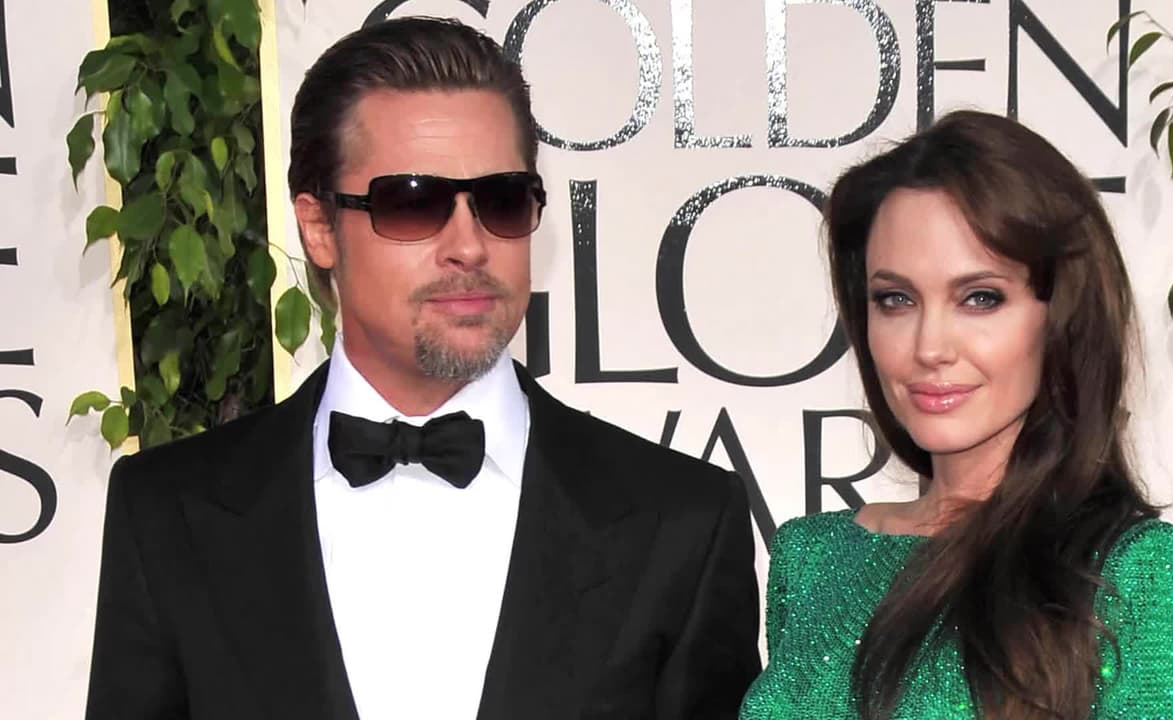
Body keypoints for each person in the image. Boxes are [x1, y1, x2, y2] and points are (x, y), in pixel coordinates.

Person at [85, 16, 760, 720]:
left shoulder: (682, 523)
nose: (469, 245)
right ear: (318, 228)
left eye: (501, 200)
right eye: (413, 202)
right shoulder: (167, 514)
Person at [740, 110, 1173, 719]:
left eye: (980, 298)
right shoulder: (811, 559)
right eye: (895, 299)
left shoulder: (1142, 577)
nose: (929, 347)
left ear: (1061, 318)